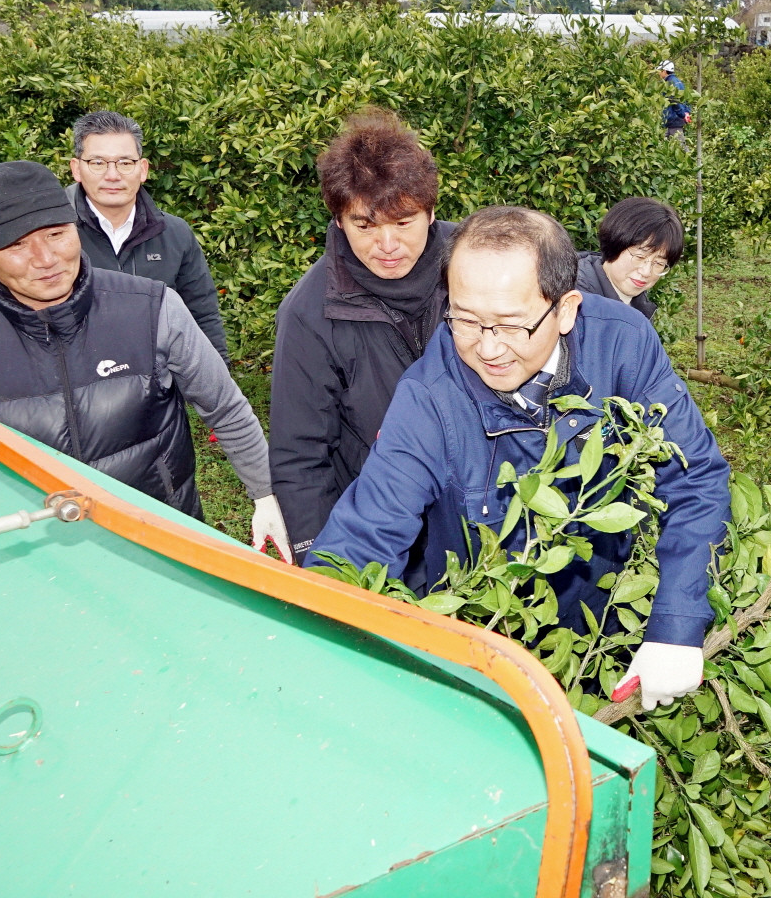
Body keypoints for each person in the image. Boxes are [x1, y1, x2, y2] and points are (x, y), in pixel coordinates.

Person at [311, 206, 731, 711]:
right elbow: (365, 533)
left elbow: (695, 476)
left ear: (566, 309)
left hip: (607, 619)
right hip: (488, 640)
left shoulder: (622, 343)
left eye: (511, 326)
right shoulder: (430, 397)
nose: (488, 348)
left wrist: (676, 626)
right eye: (465, 320)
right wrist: (319, 642)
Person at [0, 161, 290, 562]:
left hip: (164, 537)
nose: (45, 259)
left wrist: (267, 494)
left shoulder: (152, 308)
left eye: (56, 234)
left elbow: (226, 409)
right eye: (16, 245)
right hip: (32, 558)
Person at [268, 108, 457, 564]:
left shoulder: (476, 266)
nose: (386, 245)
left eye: (403, 222)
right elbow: (299, 454)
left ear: (431, 213)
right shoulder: (310, 312)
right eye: (365, 225)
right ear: (338, 220)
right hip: (380, 519)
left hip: (482, 513)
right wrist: (324, 565)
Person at [66, 111, 230, 364]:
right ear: (77, 169)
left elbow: (202, 315)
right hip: (80, 387)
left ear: (142, 169)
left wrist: (219, 387)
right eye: (98, 163)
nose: (112, 175)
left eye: (125, 162)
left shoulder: (174, 233)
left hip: (160, 389)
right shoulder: (52, 235)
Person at [574, 196, 684, 323]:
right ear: (614, 245)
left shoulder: (640, 308)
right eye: (639, 257)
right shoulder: (577, 303)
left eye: (659, 263)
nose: (646, 272)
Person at [658, 60, 691, 142]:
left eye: (660, 71)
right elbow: (686, 98)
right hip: (675, 120)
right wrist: (686, 112)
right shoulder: (678, 81)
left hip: (673, 120)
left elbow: (675, 101)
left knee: (680, 147)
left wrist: (682, 114)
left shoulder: (670, 83)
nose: (658, 73)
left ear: (664, 71)